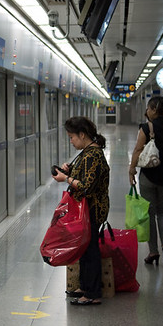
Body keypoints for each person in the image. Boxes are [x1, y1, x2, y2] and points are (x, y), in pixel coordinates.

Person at [52, 116, 110, 306]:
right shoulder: (87, 151)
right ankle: (85, 286)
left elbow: (86, 187)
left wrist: (66, 179)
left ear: (82, 135)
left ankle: (93, 293)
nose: (71, 141)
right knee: (85, 248)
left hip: (92, 209)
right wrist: (69, 172)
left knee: (90, 250)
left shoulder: (93, 155)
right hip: (86, 209)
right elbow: (84, 176)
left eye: (72, 137)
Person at [128, 96, 163, 265]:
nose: (147, 111)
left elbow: (138, 149)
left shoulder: (146, 127)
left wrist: (132, 170)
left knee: (150, 214)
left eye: (148, 108)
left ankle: (153, 252)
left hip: (148, 176)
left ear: (153, 109)